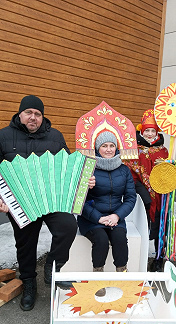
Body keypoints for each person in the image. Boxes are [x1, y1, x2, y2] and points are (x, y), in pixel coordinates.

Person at [0, 95, 95, 311]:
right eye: (29, 113)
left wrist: (85, 178)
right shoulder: (3, 136)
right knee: (25, 243)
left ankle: (52, 266)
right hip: (21, 202)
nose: (33, 117)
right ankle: (29, 282)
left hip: (53, 200)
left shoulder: (55, 137)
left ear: (42, 117)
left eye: (38, 114)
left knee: (68, 227)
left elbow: (70, 166)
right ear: (20, 114)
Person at [77, 131, 136, 296]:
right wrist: (99, 218)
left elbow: (130, 198)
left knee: (119, 238)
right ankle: (98, 277)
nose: (109, 149)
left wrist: (117, 216)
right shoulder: (88, 168)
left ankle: (122, 273)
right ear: (98, 149)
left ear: (116, 148)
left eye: (112, 146)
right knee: (101, 240)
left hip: (115, 216)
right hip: (91, 218)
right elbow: (79, 199)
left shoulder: (124, 170)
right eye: (104, 146)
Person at [124, 109, 168, 272]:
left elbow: (168, 172)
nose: (150, 134)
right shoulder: (133, 149)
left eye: (153, 131)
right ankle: (139, 257)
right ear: (141, 130)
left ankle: (159, 257)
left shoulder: (163, 149)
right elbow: (130, 174)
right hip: (141, 194)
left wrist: (167, 167)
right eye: (147, 130)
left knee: (161, 224)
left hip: (161, 194)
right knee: (143, 225)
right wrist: (143, 193)